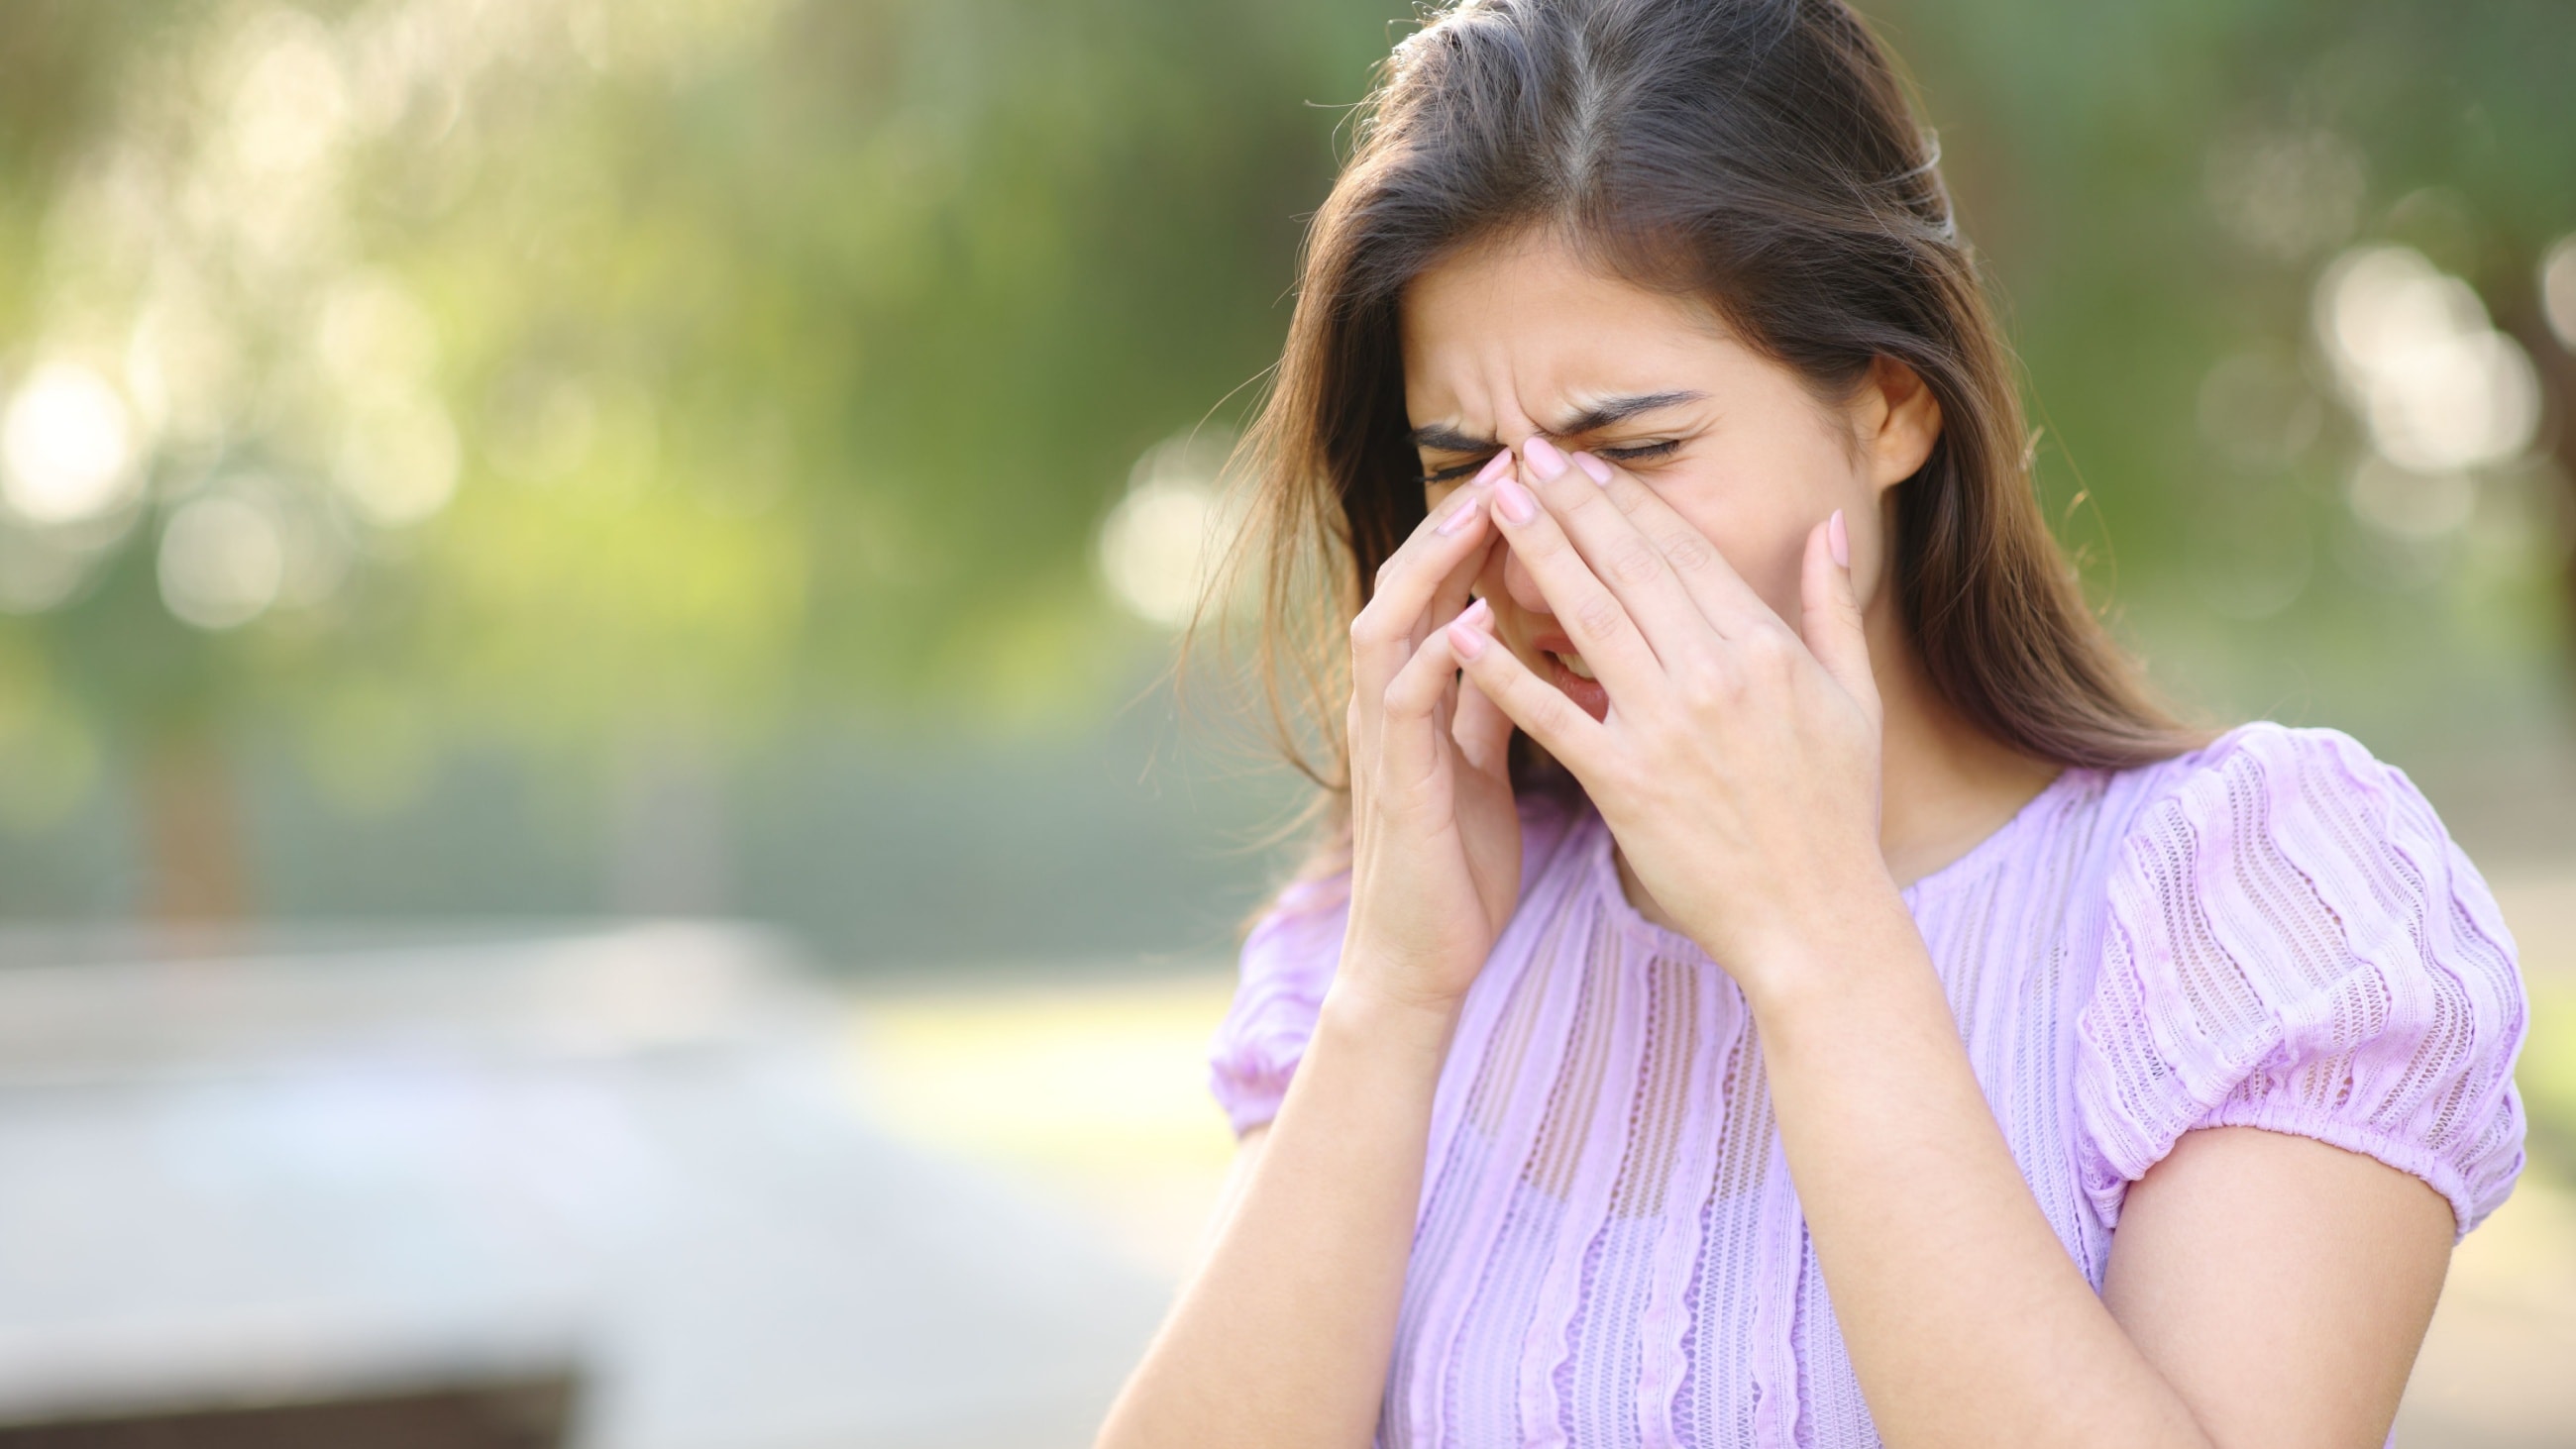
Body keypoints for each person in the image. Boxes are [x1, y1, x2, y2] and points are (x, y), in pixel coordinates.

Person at [1096, 1, 2528, 1444]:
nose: (1539, 556)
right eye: (1463, 469)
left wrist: (1816, 933)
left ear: (1893, 407)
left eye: (1634, 451)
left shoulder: (2252, 902)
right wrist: (1393, 996)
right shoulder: (1399, 941)